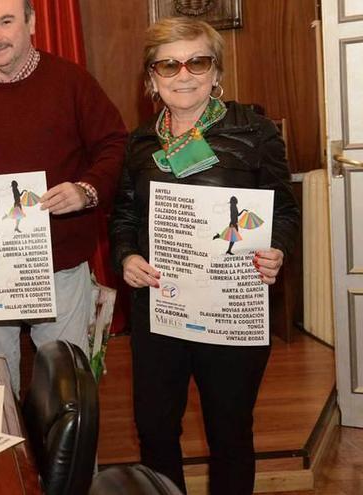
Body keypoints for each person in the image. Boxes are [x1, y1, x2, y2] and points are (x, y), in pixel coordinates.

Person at [109, 17, 300, 494]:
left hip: (230, 309)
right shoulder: (139, 143)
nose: (184, 74)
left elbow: (286, 211)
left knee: (230, 432)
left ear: (216, 72)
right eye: (168, 64)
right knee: (154, 430)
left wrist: (277, 248)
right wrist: (127, 257)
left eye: (197, 61)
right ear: (151, 78)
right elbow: (124, 218)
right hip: (159, 307)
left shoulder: (255, 131)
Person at [0, 0, 128, 395]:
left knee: (68, 393)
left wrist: (86, 190)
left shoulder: (71, 82)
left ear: (31, 22)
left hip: (59, 265)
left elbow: (115, 145)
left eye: (5, 22)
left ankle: (69, 461)